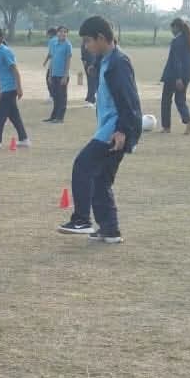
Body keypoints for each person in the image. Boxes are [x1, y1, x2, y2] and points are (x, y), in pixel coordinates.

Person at [57, 16, 141, 244]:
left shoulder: (118, 63)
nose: (86, 46)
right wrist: (95, 64)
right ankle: (110, 229)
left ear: (101, 38)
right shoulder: (106, 59)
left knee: (83, 164)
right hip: (110, 126)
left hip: (116, 128)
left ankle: (82, 219)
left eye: (88, 41)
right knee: (101, 178)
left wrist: (123, 131)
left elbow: (129, 100)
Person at [0, 26, 29, 149]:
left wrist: (19, 88)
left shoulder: (5, 52)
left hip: (11, 88)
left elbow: (15, 71)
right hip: (4, 87)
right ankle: (24, 139)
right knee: (13, 115)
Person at [158, 18, 190, 134]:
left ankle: (166, 127)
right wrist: (186, 77)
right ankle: (188, 122)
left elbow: (176, 61)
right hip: (186, 76)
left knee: (166, 101)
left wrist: (178, 78)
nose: (171, 30)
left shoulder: (177, 41)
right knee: (180, 100)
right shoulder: (189, 40)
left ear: (177, 28)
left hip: (173, 76)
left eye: (172, 28)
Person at [44, 24, 73, 122]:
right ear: (57, 33)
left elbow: (68, 61)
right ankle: (54, 116)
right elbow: (52, 60)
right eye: (61, 32)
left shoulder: (68, 45)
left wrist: (65, 76)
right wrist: (50, 75)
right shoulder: (55, 44)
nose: (63, 34)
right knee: (55, 96)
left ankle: (60, 117)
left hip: (62, 75)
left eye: (65, 32)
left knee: (62, 96)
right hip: (54, 74)